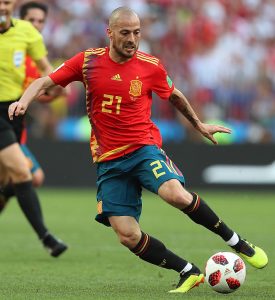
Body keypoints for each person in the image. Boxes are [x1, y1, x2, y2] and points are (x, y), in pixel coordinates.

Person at [9, 6, 268, 292]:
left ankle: (237, 242)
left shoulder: (150, 65)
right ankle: (188, 271)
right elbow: (45, 81)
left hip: (143, 148)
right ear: (110, 33)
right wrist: (24, 101)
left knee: (175, 194)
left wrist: (199, 124)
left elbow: (175, 96)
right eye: (125, 33)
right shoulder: (87, 62)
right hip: (109, 161)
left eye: (137, 32)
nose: (132, 39)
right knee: (127, 235)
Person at [0, 0, 67, 257]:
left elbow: (46, 72)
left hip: (14, 113)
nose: (2, 7)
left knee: (6, 183)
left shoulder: (26, 33)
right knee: (23, 173)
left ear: (12, 5)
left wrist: (58, 84)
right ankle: (47, 237)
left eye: (6, 2)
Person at [0, 1, 49, 213]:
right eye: (32, 20)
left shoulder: (34, 55)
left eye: (41, 21)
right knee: (31, 176)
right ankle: (44, 235)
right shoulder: (15, 50)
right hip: (5, 123)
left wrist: (54, 90)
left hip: (15, 125)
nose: (36, 25)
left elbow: (43, 90)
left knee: (8, 179)